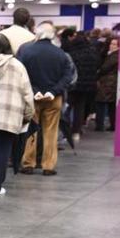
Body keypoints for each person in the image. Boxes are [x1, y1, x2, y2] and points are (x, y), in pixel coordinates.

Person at [0, 34, 34, 196]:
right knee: (1, 152)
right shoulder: (18, 66)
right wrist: (28, 115)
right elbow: (27, 93)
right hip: (9, 115)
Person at [17, 22, 74, 176]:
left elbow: (21, 74)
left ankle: (28, 163)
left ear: (38, 33)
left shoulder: (26, 51)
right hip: (53, 99)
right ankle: (48, 165)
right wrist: (53, 91)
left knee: (30, 131)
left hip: (31, 98)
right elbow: (67, 76)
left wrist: (34, 91)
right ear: (52, 36)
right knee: (51, 132)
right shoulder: (60, 54)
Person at [62, 32, 101, 140]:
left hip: (72, 85)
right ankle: (76, 131)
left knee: (67, 107)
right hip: (86, 86)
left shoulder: (71, 53)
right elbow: (96, 67)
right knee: (80, 108)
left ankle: (65, 130)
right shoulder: (93, 53)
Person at [95, 36, 119, 131]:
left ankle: (100, 125)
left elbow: (105, 68)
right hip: (111, 82)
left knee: (100, 102)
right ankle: (112, 125)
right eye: (111, 44)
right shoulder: (114, 55)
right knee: (111, 105)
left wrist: (99, 71)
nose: (111, 46)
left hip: (108, 82)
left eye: (114, 44)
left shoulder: (114, 56)